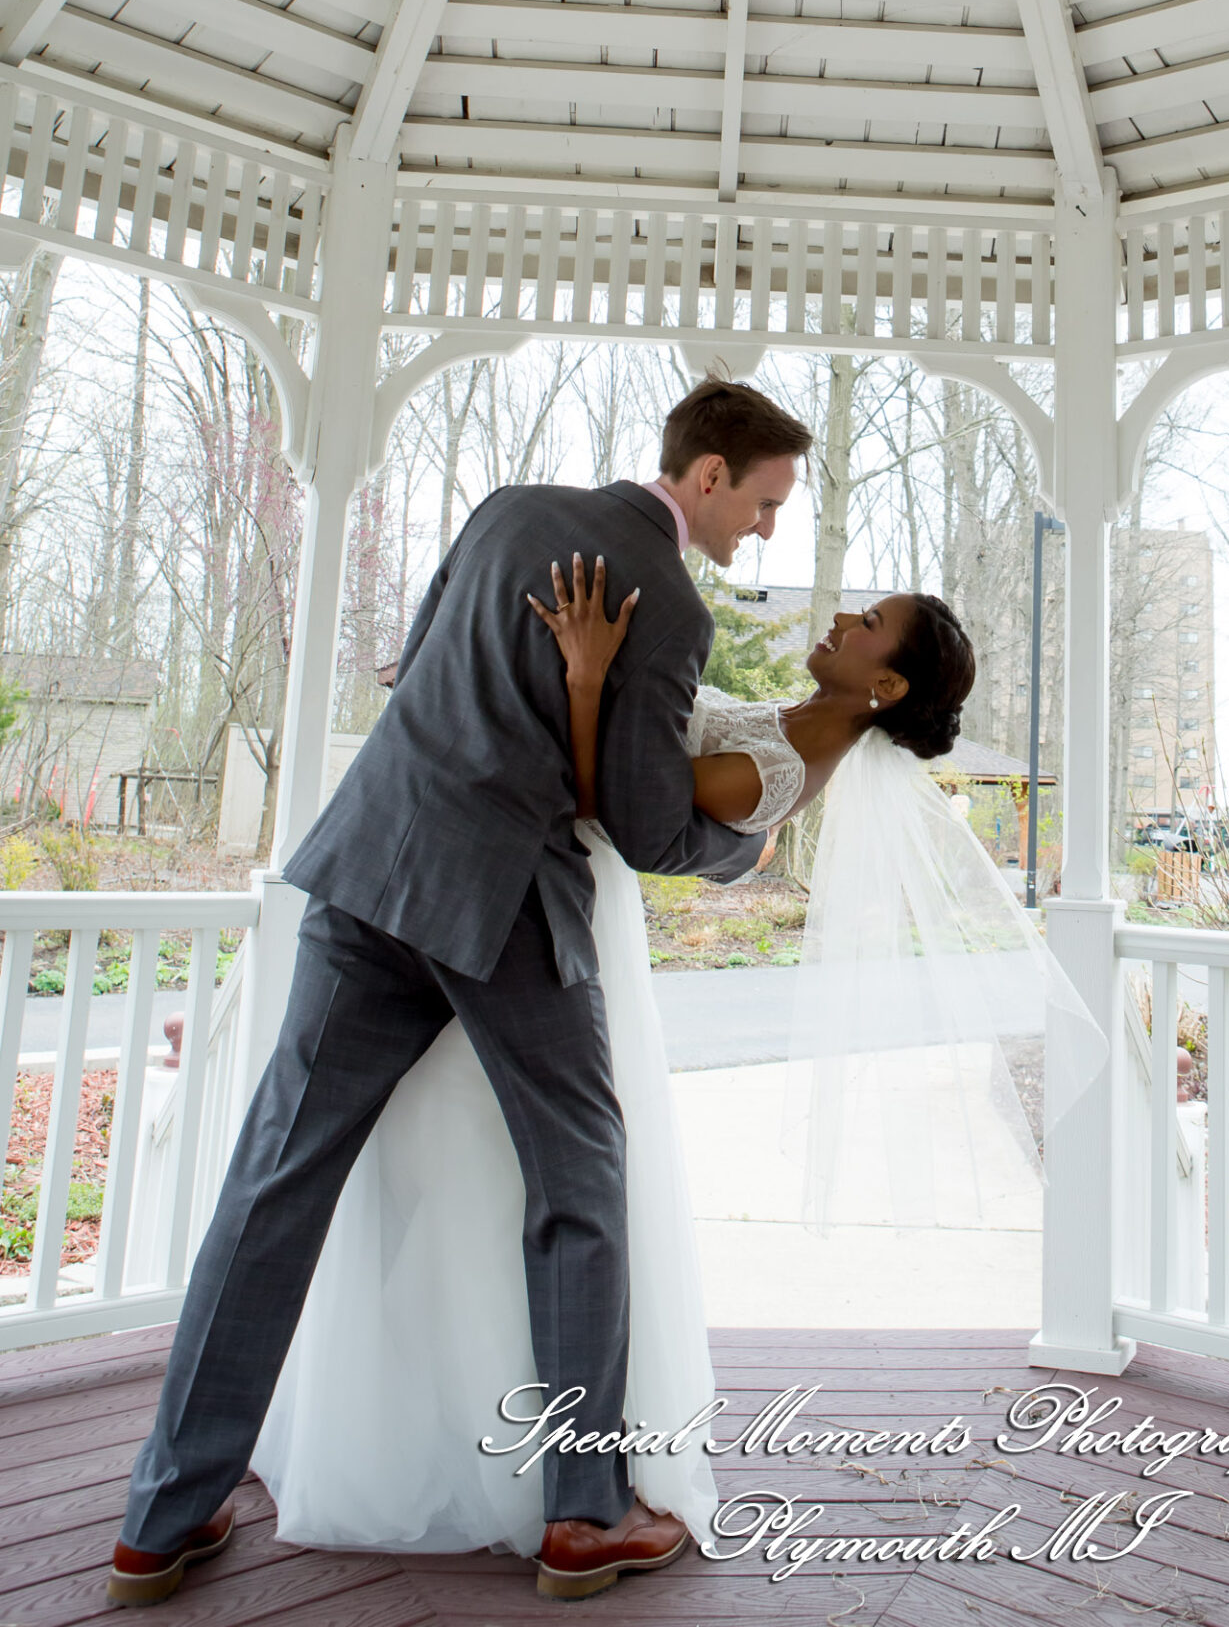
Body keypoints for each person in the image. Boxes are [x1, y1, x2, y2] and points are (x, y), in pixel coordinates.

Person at [107, 378, 813, 1608]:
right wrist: (742, 847)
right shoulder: (669, 602)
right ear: (708, 475)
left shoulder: (506, 507)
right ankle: (583, 1513)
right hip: (501, 904)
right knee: (581, 1182)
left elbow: (411, 663)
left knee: (275, 1177)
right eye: (763, 502)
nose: (764, 527)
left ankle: (158, 1518)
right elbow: (647, 824)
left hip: (367, 863)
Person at [240, 573, 978, 1569]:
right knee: (455, 1159)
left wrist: (586, 678)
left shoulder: (786, 765)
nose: (845, 617)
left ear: (886, 687)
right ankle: (433, 1425)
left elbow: (619, 805)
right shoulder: (793, 719)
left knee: (536, 1177)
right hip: (506, 882)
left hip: (554, 908)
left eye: (871, 623)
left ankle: (537, 1465)